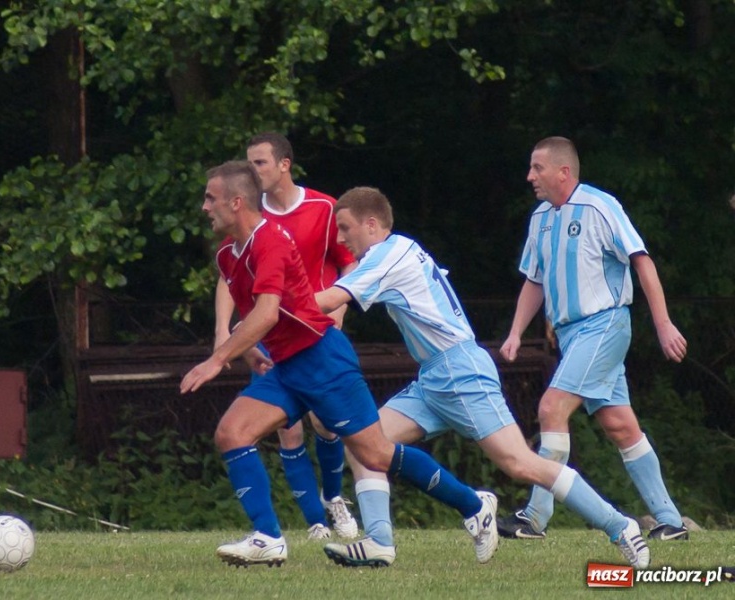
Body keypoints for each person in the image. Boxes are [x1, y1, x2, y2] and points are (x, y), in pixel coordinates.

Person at [314, 186, 650, 569]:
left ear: (372, 225)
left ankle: (619, 525)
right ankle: (380, 541)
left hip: (461, 372)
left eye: (346, 228)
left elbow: (328, 301)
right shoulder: (395, 250)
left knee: (520, 463)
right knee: (366, 445)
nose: (341, 238)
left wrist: (274, 303)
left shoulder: (386, 255)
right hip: (435, 375)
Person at [182, 161, 498, 568]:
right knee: (232, 433)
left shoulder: (271, 241)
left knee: (377, 455)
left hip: (322, 359)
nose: (205, 207)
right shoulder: (228, 254)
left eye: (211, 198)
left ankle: (474, 506)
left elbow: (267, 313)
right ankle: (268, 538)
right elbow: (257, 314)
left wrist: (218, 358)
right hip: (286, 365)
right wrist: (248, 350)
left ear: (237, 202)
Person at [496, 136, 689, 541]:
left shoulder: (600, 206)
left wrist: (663, 323)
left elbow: (642, 261)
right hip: (572, 336)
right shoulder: (540, 217)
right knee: (620, 426)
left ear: (563, 172)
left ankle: (534, 518)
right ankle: (671, 521)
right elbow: (535, 280)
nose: (530, 176)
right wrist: (515, 332)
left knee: (551, 408)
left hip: (604, 325)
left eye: (537, 168)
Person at [214, 132, 358, 540]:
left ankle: (334, 499)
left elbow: (349, 264)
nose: (252, 170)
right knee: (287, 430)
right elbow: (229, 276)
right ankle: (315, 522)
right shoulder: (249, 215)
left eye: (259, 162)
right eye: (248, 163)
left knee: (326, 424)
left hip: (315, 332)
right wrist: (222, 331)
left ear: (284, 165)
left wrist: (338, 312)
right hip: (268, 333)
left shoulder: (323, 208)